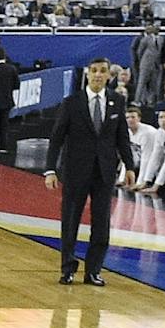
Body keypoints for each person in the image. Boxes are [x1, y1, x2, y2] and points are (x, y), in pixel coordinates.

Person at [43, 57, 132, 286]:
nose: (98, 75)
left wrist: (130, 166)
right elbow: (56, 138)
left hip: (105, 171)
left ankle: (94, 270)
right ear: (87, 73)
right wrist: (50, 169)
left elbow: (122, 137)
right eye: (94, 71)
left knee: (102, 223)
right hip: (75, 170)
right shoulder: (72, 102)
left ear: (108, 76)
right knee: (70, 220)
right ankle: (67, 268)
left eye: (103, 71)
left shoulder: (117, 101)